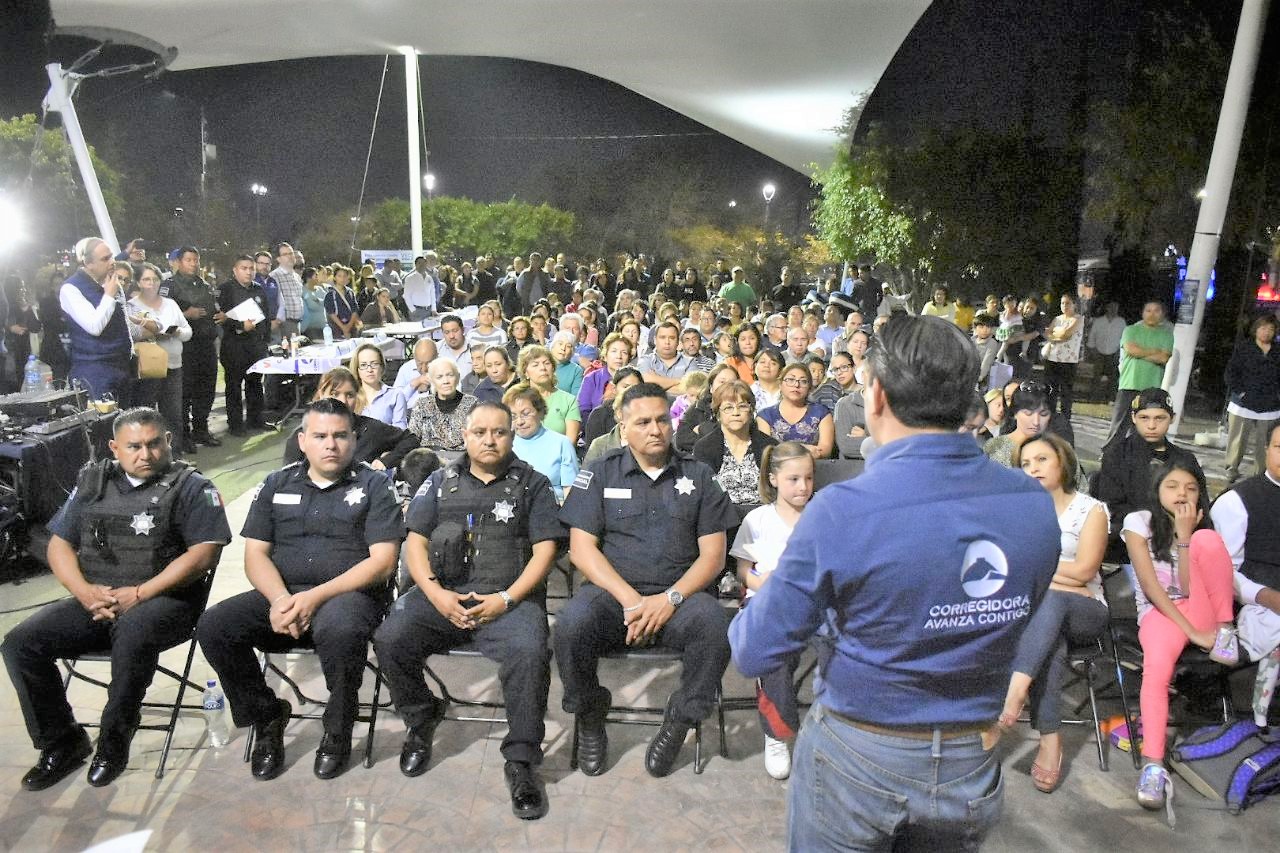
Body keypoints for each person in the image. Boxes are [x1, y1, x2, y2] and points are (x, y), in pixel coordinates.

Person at [729, 314, 1059, 851]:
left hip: (859, 755)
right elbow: (1024, 609)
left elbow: (755, 648)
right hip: (969, 758)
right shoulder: (1031, 503)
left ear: (876, 395)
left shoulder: (845, 509)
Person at [1, 408, 230, 790]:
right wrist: (84, 592)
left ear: (168, 441)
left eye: (155, 443)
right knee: (21, 644)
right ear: (114, 448)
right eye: (135, 446)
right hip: (98, 599)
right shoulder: (94, 482)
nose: (147, 454)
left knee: (134, 632)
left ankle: (114, 741)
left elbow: (204, 552)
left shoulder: (193, 487)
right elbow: (59, 544)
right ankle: (63, 740)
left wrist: (139, 593)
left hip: (166, 601)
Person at [373, 401, 561, 818]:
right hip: (443, 597)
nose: (490, 440)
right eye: (480, 432)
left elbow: (546, 549)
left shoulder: (535, 484)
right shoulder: (440, 481)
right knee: (390, 638)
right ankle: (422, 719)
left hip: (508, 601)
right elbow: (415, 542)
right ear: (465, 435)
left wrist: (507, 599)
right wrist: (437, 594)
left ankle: (521, 759)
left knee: (531, 652)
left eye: (500, 432)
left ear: (512, 436)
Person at [198, 398, 402, 781]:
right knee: (215, 626)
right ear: (303, 440)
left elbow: (382, 563)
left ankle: (338, 731)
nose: (331, 444)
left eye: (340, 436)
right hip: (284, 593)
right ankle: (267, 715)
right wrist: (279, 599)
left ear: (354, 440)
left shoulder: (375, 486)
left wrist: (314, 597)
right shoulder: (276, 483)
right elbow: (255, 555)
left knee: (340, 631)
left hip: (348, 596)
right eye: (321, 436)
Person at [557, 383, 735, 778]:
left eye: (661, 419)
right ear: (623, 427)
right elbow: (581, 550)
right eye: (642, 422)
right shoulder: (600, 473)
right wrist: (631, 600)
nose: (655, 429)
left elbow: (714, 557)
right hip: (613, 598)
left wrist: (668, 599)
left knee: (717, 627)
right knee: (569, 626)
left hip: (682, 599)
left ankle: (681, 719)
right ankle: (589, 713)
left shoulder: (698, 476)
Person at [998, 434, 1110, 794]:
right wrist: (1056, 574)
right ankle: (1051, 740)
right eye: (1026, 463)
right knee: (1052, 644)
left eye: (1042, 459)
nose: (1033, 468)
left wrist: (1040, 571)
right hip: (1040, 616)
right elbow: (1008, 566)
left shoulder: (1091, 509)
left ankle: (1014, 693)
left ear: (1062, 462)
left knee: (1052, 602)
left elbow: (1086, 571)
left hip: (1087, 609)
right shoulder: (1018, 513)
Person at [1122, 460, 1236, 813]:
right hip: (1162, 612)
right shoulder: (1138, 523)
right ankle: (1154, 766)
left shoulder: (1204, 527)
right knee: (1157, 668)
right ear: (1157, 490)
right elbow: (1154, 589)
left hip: (1203, 610)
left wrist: (1186, 537)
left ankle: (1227, 631)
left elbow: (1190, 588)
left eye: (1190, 487)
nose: (1182, 494)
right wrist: (1192, 633)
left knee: (1207, 538)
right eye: (1172, 486)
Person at [729, 442, 814, 779]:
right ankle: (777, 733)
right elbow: (743, 572)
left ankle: (843, 728)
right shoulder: (758, 519)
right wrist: (769, 585)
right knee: (773, 651)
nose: (804, 487)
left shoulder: (821, 516)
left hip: (812, 602)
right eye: (794, 479)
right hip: (766, 601)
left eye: (809, 478)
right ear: (774, 478)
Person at [1211, 420, 1280, 737]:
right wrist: (1266, 596)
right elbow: (1223, 574)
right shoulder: (1237, 501)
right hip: (1254, 600)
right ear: (1266, 451)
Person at [1095, 388, 1205, 561]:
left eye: (1160, 418)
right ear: (1133, 418)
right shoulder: (1116, 454)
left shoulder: (1185, 459)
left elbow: (1201, 505)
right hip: (1127, 544)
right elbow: (1112, 507)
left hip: (1181, 539)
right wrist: (1160, 523)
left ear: (1172, 419)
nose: (1152, 425)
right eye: (1144, 418)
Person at [284, 368, 417, 471]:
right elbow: (288, 479)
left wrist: (387, 460)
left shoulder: (370, 429)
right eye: (334, 394)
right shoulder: (302, 435)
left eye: (349, 395)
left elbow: (410, 439)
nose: (343, 401)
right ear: (320, 395)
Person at [160, 246, 225, 451]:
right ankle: (185, 436)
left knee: (206, 390)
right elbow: (163, 312)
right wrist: (186, 313)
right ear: (178, 262)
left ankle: (201, 429)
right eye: (189, 260)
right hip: (185, 345)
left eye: (196, 260)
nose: (193, 264)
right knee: (185, 392)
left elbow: (213, 307)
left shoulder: (204, 284)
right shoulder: (169, 285)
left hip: (206, 343)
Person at [126, 263, 192, 458]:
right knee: (146, 415)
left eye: (155, 279)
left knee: (173, 413)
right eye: (146, 279)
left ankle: (175, 455)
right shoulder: (131, 306)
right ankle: (148, 456)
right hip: (148, 367)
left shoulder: (170, 304)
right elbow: (133, 335)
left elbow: (188, 331)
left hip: (173, 364)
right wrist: (152, 333)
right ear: (138, 282)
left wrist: (176, 331)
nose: (151, 283)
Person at [694, 380, 776, 527]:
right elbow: (704, 495)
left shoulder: (769, 446)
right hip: (720, 521)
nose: (736, 413)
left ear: (751, 411)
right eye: (728, 408)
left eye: (742, 406)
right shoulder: (704, 448)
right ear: (718, 413)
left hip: (765, 521)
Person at [61, 237, 134, 403]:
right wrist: (108, 295)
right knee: (100, 426)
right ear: (88, 263)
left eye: (112, 256)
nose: (112, 262)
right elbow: (94, 326)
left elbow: (122, 324)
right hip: (94, 371)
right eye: (105, 259)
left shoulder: (112, 282)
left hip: (122, 366)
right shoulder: (71, 288)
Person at [218, 255, 271, 437]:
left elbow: (266, 316)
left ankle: (255, 420)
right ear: (235, 270)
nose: (249, 272)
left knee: (255, 383)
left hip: (255, 345)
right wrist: (240, 326)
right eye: (244, 268)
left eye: (251, 268)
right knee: (233, 386)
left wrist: (266, 341)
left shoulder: (258, 289)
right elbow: (220, 317)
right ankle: (235, 424)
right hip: (234, 345)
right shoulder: (225, 290)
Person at [1223, 314, 1280, 483]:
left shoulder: (1277, 351)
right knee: (1237, 439)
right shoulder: (1244, 348)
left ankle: (1261, 474)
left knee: (1265, 442)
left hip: (1270, 405)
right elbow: (1231, 372)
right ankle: (1231, 469)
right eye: (1263, 328)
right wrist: (1240, 392)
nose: (1266, 332)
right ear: (1256, 329)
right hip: (1243, 403)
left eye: (1271, 329)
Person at [1109, 300, 1174, 439]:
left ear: (1162, 314)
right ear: (1143, 313)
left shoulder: (1167, 335)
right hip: (1129, 384)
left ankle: (1134, 457)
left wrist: (1141, 352)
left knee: (1141, 429)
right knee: (1118, 425)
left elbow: (1163, 358)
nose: (1152, 314)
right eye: (1148, 310)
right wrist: (1153, 352)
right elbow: (1131, 350)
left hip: (1151, 388)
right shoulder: (1131, 330)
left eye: (1156, 311)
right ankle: (1110, 455)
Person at [505, 383, 580, 502]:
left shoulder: (562, 443)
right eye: (513, 416)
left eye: (525, 414)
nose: (519, 422)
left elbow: (571, 492)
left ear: (540, 412)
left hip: (552, 510)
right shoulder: (504, 445)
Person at [756, 363, 834, 459]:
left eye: (803, 381)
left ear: (809, 387)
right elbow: (766, 452)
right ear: (780, 384)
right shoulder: (765, 416)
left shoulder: (822, 413)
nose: (796, 385)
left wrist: (783, 451)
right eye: (791, 380)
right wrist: (804, 449)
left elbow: (825, 450)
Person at [408, 358, 478, 452]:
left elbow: (478, 439)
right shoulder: (421, 405)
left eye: (450, 375)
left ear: (457, 378)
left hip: (461, 460)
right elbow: (412, 439)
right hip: (429, 460)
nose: (445, 381)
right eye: (439, 377)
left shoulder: (473, 405)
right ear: (432, 380)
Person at [517, 345, 582, 445]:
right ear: (526, 373)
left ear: (553, 368)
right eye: (535, 365)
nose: (542, 368)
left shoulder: (568, 400)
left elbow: (570, 443)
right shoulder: (516, 400)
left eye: (547, 363)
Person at [983, 382, 1052, 468]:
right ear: (1014, 413)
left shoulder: (1056, 449)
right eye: (1028, 413)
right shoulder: (995, 446)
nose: (1036, 422)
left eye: (1044, 414)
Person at [1042, 294, 1084, 419]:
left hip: (1068, 361)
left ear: (1074, 305)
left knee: (1066, 391)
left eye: (1067, 303)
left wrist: (1056, 334)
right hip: (1052, 359)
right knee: (1050, 390)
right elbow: (1047, 333)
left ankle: (1065, 419)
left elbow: (1067, 334)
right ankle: (1050, 416)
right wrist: (1056, 336)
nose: (1064, 306)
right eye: (1062, 303)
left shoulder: (1078, 319)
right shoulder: (1057, 319)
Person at [348, 343, 408, 429]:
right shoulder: (351, 397)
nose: (369, 370)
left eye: (374, 364)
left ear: (382, 367)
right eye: (363, 365)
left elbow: (401, 430)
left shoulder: (396, 395)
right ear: (357, 369)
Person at [576, 333, 633, 420]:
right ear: (605, 356)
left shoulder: (634, 380)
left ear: (629, 358)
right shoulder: (591, 378)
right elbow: (582, 411)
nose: (619, 356)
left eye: (624, 352)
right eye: (614, 351)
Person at [636, 321, 693, 390]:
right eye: (662, 337)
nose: (667, 342)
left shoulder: (690, 363)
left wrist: (657, 382)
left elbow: (691, 389)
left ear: (678, 341)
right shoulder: (645, 360)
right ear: (654, 340)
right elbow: (647, 384)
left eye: (672, 338)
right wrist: (680, 381)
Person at [393, 337, 439, 408]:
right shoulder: (406, 369)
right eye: (419, 363)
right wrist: (413, 385)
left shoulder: (446, 368)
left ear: (436, 357)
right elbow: (394, 402)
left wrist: (431, 388)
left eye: (428, 363)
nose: (424, 369)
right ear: (414, 357)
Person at [324, 266, 361, 340]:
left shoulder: (350, 292)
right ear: (334, 277)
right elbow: (331, 313)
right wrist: (343, 327)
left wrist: (348, 326)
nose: (342, 278)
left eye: (345, 276)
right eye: (339, 276)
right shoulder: (330, 293)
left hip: (351, 326)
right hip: (336, 327)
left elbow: (354, 309)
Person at [551, 331, 585, 397]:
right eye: (560, 344)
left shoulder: (576, 370)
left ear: (572, 352)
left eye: (568, 346)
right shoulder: (542, 364)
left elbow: (576, 398)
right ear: (552, 346)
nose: (563, 348)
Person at [300, 267, 328, 340]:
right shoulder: (302, 291)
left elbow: (328, 302)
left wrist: (318, 300)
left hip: (323, 327)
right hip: (310, 329)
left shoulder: (320, 290)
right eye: (315, 275)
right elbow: (310, 306)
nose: (317, 277)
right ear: (308, 278)